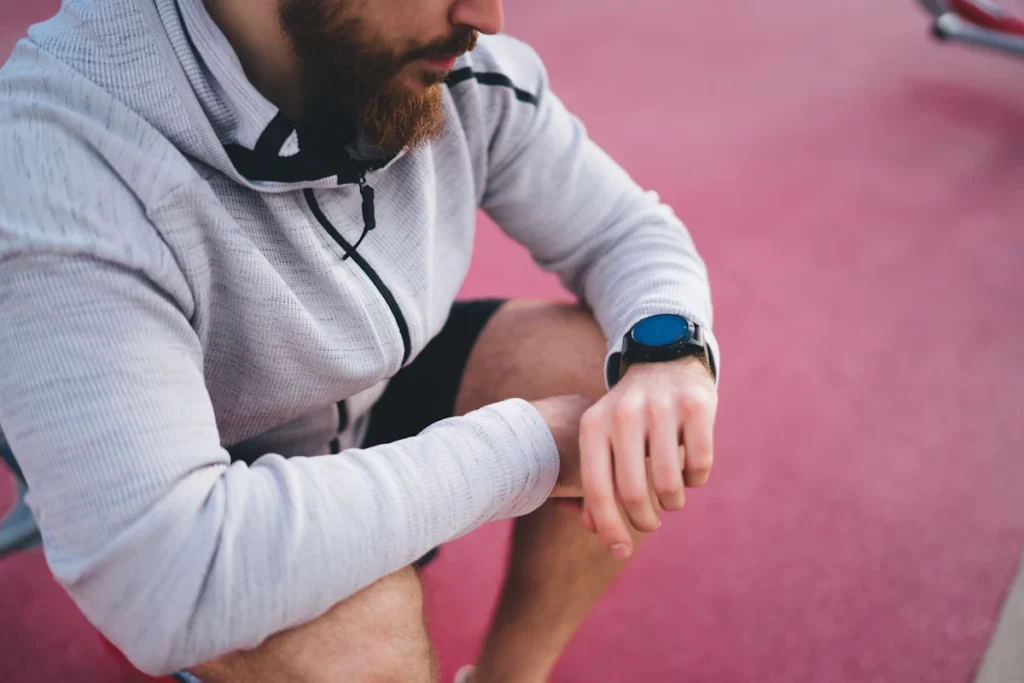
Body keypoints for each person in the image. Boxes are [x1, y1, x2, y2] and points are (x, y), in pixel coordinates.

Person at [0, 0, 721, 681]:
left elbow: (626, 233)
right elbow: (164, 576)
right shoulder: (55, 154)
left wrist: (668, 354)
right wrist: (530, 446)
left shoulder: (444, 61)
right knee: (361, 645)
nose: (486, 17)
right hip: (202, 509)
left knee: (618, 387)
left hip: (358, 405)